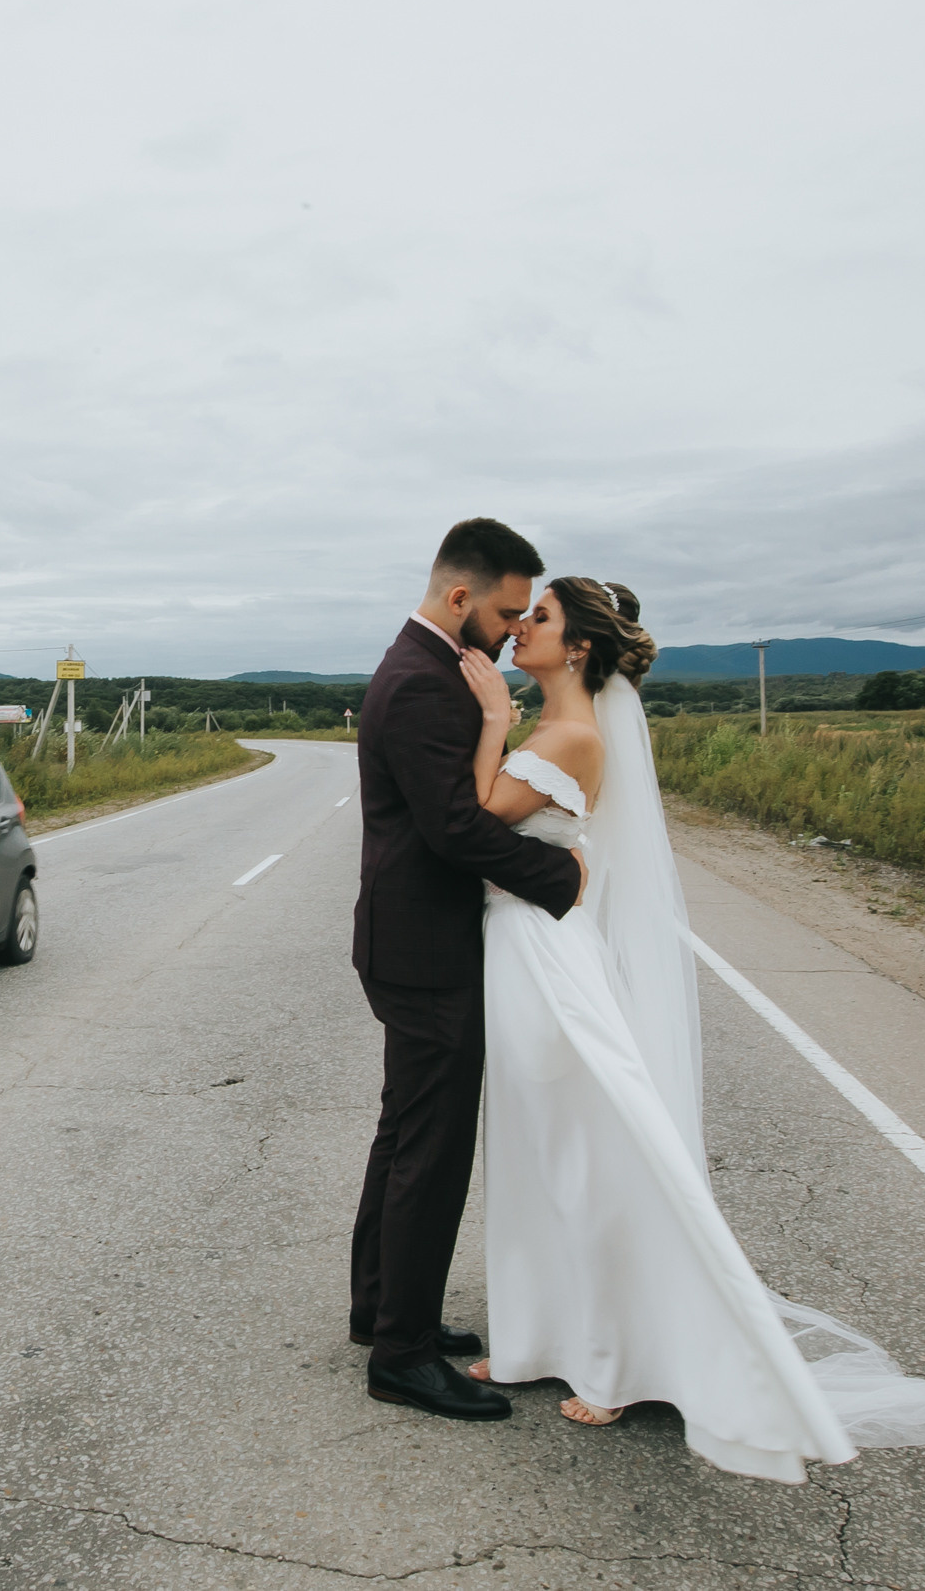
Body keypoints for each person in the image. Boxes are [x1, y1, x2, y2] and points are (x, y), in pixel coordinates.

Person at [460, 575, 925, 1481]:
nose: (520, 629)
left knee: (590, 1151)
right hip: (516, 946)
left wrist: (492, 717)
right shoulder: (562, 725)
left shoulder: (569, 733)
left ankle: (617, 1360)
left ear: (578, 647)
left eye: (539, 619)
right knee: (535, 1149)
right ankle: (537, 1337)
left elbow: (472, 822)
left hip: (544, 956)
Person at [349, 519, 585, 1422]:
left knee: (404, 1135)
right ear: (460, 597)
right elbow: (453, 829)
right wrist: (560, 876)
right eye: (505, 611)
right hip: (425, 952)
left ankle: (383, 1311)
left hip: (411, 944)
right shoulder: (420, 682)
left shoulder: (430, 668)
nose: (512, 628)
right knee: (431, 1154)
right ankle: (402, 1354)